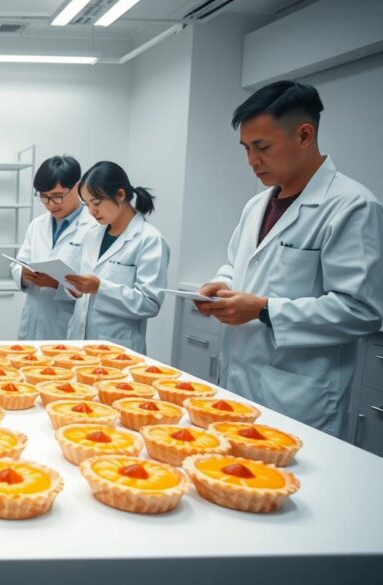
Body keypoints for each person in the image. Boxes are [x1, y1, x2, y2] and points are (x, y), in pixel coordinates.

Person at [194, 80, 383, 436]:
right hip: (239, 383)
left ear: (304, 135)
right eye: (246, 148)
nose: (252, 161)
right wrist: (223, 285)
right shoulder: (257, 204)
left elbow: (363, 310)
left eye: (262, 147)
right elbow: (238, 265)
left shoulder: (351, 206)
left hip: (299, 397)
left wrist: (264, 309)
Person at [64, 161, 169, 353]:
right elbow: (85, 287)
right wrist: (75, 288)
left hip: (118, 349)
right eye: (87, 204)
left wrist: (100, 288)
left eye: (96, 203)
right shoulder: (92, 235)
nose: (91, 211)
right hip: (79, 344)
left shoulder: (149, 240)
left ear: (120, 195)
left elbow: (149, 304)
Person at [12, 155, 96, 340]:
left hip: (66, 325)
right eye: (43, 197)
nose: (50, 204)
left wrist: (58, 285)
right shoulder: (37, 225)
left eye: (57, 196)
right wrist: (23, 274)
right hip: (32, 322)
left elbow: (95, 286)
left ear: (77, 186)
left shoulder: (94, 227)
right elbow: (19, 262)